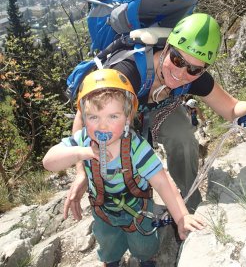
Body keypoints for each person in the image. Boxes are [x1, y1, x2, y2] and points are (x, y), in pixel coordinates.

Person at [65, 13, 246, 219]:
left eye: (194, 70)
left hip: (161, 108)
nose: (181, 73)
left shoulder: (195, 76)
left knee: (183, 138)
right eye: (177, 59)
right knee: (120, 150)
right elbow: (84, 118)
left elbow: (231, 109)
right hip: (118, 114)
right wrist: (82, 171)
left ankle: (190, 203)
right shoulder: (127, 72)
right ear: (167, 47)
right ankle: (131, 204)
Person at [43, 69, 204, 267]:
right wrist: (81, 153)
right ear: (84, 118)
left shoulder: (135, 147)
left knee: (144, 246)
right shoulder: (83, 140)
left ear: (127, 118)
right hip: (103, 211)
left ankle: (146, 260)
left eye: (113, 116)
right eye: (93, 117)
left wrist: (182, 217)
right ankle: (112, 262)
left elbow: (163, 183)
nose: (103, 126)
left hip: (137, 210)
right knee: (108, 245)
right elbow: (49, 162)